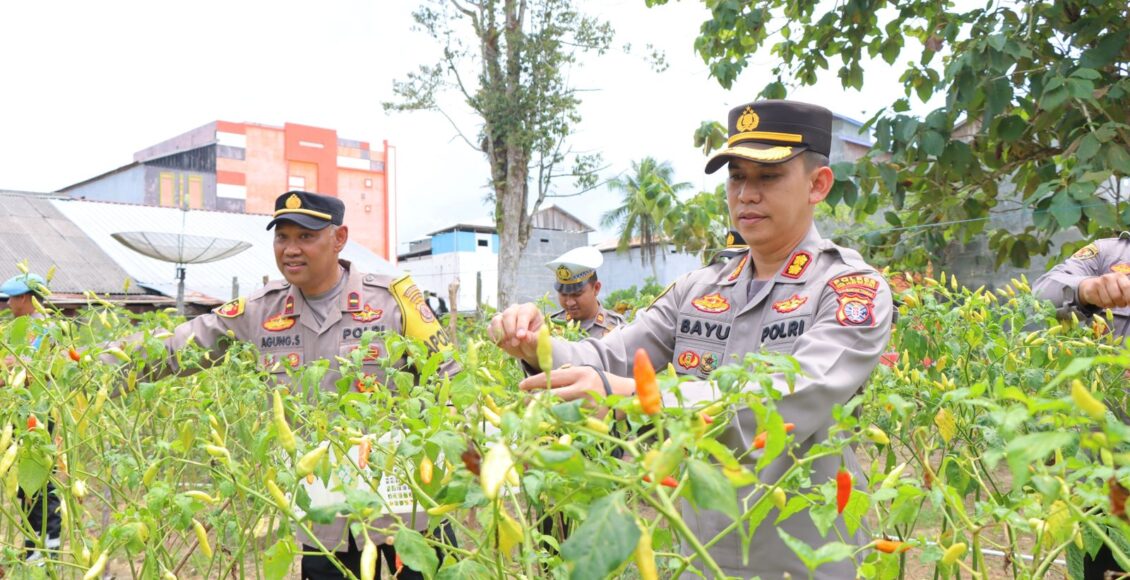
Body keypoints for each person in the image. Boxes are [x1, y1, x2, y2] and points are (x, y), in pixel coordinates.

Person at [490, 99, 894, 578]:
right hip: (699, 558)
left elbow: (790, 398)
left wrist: (638, 397)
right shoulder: (699, 289)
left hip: (802, 562)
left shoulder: (849, 289)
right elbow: (612, 356)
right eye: (737, 177)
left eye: (768, 177)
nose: (746, 194)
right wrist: (536, 344)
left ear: (818, 185)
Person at [120, 191, 460, 579]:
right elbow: (176, 347)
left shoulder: (392, 301)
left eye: (306, 237)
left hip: (407, 503)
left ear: (339, 238)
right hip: (323, 507)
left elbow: (451, 380)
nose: (291, 249)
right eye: (282, 237)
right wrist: (90, 366)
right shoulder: (260, 311)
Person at [1034, 233, 1130, 579]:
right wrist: (1087, 289)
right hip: (1106, 475)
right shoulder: (1110, 253)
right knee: (1102, 564)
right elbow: (1042, 292)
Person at [0, 273, 61, 562]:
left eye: (11, 299)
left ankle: (47, 546)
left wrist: (9, 370)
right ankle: (33, 544)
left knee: (40, 478)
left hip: (38, 414)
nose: (8, 304)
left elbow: (29, 368)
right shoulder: (23, 327)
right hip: (24, 413)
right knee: (25, 479)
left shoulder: (44, 328)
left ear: (25, 298)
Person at [546, 246, 623, 339]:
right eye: (563, 294)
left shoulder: (618, 329)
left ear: (596, 288)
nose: (570, 302)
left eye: (577, 294)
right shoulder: (550, 326)